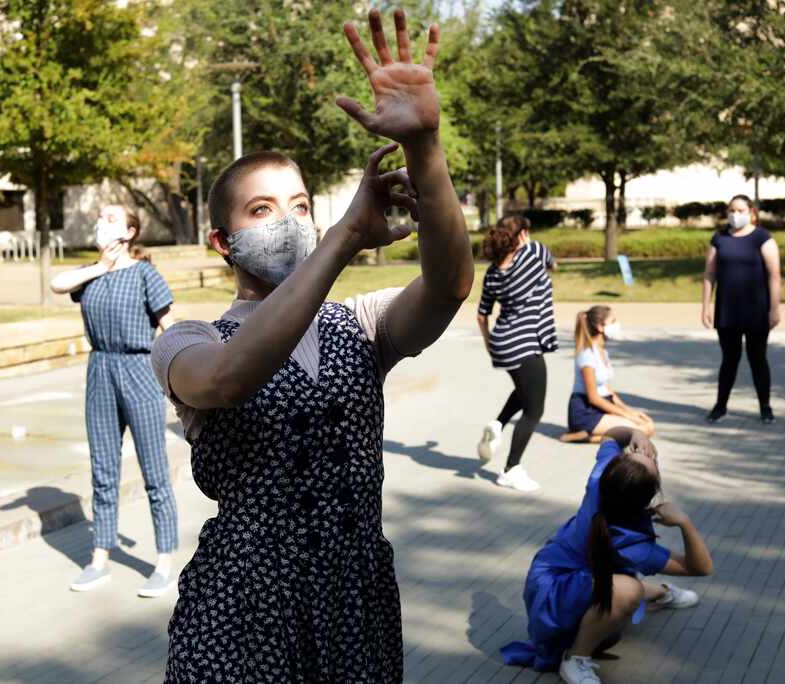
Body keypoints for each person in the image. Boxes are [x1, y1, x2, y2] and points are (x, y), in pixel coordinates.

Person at [151, 9, 473, 682]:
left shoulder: (358, 323)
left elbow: (447, 286)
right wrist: (343, 238)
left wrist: (425, 146)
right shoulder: (188, 338)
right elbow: (227, 380)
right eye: (262, 210)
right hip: (241, 612)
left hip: (355, 604)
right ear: (222, 241)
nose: (289, 222)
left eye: (301, 206)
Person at [501, 429, 712, 683]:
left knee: (620, 581)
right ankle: (575, 659)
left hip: (562, 571)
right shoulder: (635, 546)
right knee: (628, 591)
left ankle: (660, 592)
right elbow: (700, 567)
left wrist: (635, 434)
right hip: (553, 592)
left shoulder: (602, 477)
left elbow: (610, 437)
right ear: (650, 494)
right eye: (647, 458)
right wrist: (684, 522)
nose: (645, 451)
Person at [50, 205, 178, 598]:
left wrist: (181, 379)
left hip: (138, 369)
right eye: (99, 219)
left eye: (109, 219)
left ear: (130, 231)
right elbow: (58, 284)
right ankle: (100, 558)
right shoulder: (90, 276)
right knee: (102, 470)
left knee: (154, 472)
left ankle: (164, 562)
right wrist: (99, 267)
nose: (99, 223)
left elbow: (169, 326)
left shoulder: (144, 274)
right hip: (100, 371)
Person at [475, 215, 558, 492]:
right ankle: (511, 469)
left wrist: (488, 345)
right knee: (535, 410)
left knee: (525, 391)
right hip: (525, 343)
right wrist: (529, 244)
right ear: (522, 235)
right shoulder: (534, 254)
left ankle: (497, 424)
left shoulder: (492, 273)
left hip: (502, 343)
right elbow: (553, 266)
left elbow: (481, 315)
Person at [702, 194, 781, 423]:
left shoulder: (762, 238)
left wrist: (774, 309)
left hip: (756, 310)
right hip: (727, 311)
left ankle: (765, 407)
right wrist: (705, 306)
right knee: (729, 359)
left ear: (751, 213)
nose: (735, 215)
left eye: (740, 210)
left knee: (758, 359)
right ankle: (720, 406)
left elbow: (774, 275)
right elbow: (709, 274)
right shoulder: (719, 239)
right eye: (731, 210)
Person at [564, 305, 654, 442]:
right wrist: (626, 416)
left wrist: (630, 411)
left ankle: (588, 435)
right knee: (641, 431)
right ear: (600, 327)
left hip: (602, 405)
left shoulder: (602, 352)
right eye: (613, 321)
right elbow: (593, 397)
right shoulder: (587, 355)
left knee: (649, 426)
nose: (617, 325)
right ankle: (582, 435)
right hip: (586, 412)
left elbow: (608, 390)